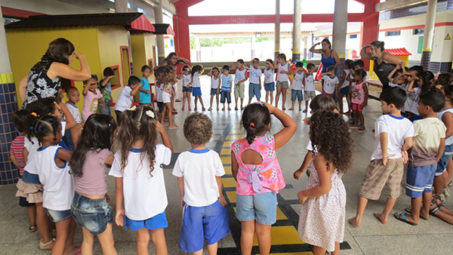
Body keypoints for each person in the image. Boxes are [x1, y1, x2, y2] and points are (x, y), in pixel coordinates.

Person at [231, 102, 297, 255]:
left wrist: (246, 183)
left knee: (247, 231)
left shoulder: (236, 146)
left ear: (245, 124)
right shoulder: (270, 143)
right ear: (268, 126)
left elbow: (235, 171)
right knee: (263, 232)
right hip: (265, 194)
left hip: (244, 194)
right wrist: (273, 110)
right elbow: (291, 125)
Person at [109, 106, 173, 255]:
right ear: (151, 130)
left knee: (142, 240)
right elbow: (170, 151)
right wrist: (163, 131)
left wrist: (119, 210)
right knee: (159, 239)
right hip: (155, 206)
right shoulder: (158, 151)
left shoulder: (120, 155)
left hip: (134, 208)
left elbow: (118, 188)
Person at [349, 87, 414, 227]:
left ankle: (358, 219)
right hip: (397, 160)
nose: (381, 106)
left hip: (382, 158)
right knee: (394, 189)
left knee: (367, 187)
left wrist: (384, 154)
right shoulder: (408, 123)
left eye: (382, 104)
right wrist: (404, 150)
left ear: (391, 106)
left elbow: (384, 136)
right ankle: (384, 216)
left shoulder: (383, 119)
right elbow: (409, 142)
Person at [172, 113, 230, 255]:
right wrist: (220, 196)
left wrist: (182, 196)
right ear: (209, 134)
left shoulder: (183, 158)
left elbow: (179, 179)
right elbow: (218, 179)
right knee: (212, 237)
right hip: (213, 204)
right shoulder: (214, 156)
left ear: (186, 136)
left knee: (194, 238)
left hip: (192, 206)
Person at [297, 111, 352, 255]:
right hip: (337, 195)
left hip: (324, 201)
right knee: (332, 234)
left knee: (320, 240)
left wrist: (305, 193)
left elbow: (324, 187)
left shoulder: (321, 158)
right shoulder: (337, 151)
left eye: (312, 130)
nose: (309, 133)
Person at [25, 115, 78, 255]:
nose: (62, 134)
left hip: (53, 200)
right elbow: (77, 158)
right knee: (61, 236)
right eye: (60, 131)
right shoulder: (57, 151)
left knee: (71, 226)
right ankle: (64, 249)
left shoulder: (38, 153)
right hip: (60, 202)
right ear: (51, 135)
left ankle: (69, 249)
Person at [16, 99, 64, 251]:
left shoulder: (32, 132)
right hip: (36, 176)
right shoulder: (47, 134)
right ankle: (45, 240)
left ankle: (49, 232)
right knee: (41, 208)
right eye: (56, 111)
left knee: (43, 207)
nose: (59, 113)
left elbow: (26, 154)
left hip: (32, 173)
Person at [394, 89, 446, 225]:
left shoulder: (418, 124)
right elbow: (442, 144)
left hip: (418, 165)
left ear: (427, 108)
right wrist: (437, 159)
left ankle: (414, 216)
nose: (418, 107)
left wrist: (402, 150)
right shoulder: (441, 124)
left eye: (420, 104)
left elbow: (409, 142)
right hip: (432, 163)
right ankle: (425, 212)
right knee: (427, 189)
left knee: (416, 192)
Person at [69, 114, 118, 254]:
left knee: (87, 240)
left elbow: (89, 176)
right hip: (95, 206)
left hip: (78, 202)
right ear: (104, 136)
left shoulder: (80, 150)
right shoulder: (103, 153)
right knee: (109, 245)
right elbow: (123, 163)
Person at [19, 38, 91, 108]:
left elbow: (22, 85)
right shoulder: (55, 66)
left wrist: (28, 106)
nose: (72, 60)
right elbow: (86, 75)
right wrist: (82, 58)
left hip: (29, 114)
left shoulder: (39, 65)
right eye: (72, 55)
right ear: (65, 55)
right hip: (42, 114)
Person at [293, 95, 338, 180]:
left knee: (320, 184)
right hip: (333, 167)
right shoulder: (336, 124)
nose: (311, 112)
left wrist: (301, 170)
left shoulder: (318, 131)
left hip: (320, 168)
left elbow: (311, 153)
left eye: (313, 111)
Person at [11, 110, 37, 233]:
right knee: (40, 202)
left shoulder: (15, 141)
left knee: (29, 204)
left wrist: (20, 165)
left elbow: (14, 159)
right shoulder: (35, 139)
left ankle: (32, 224)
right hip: (35, 177)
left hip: (23, 176)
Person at [433, 85, 453, 202]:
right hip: (445, 145)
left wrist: (438, 139)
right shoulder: (444, 111)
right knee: (442, 169)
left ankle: (438, 194)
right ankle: (444, 188)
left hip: (444, 146)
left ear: (448, 97)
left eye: (441, 92)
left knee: (438, 171)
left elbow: (450, 131)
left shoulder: (448, 114)